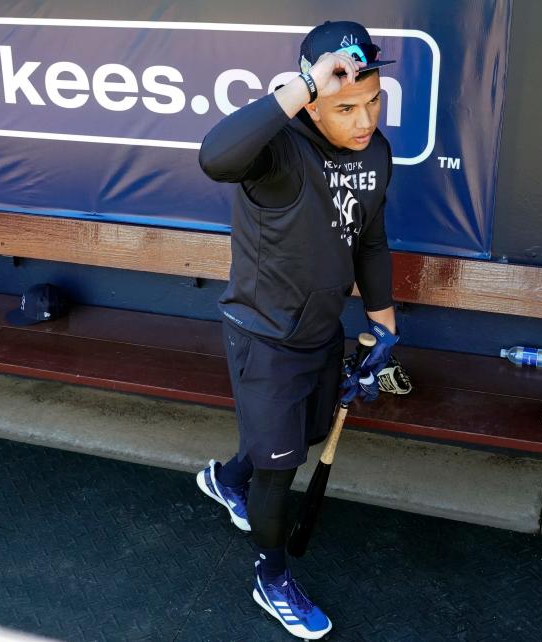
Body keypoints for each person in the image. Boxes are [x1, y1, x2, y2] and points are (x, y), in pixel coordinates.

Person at [195, 20, 399, 640]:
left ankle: (225, 479)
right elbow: (214, 157)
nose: (363, 120)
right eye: (345, 106)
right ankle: (271, 574)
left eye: (372, 101)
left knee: (300, 436)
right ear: (311, 98)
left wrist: (383, 318)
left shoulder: (376, 153)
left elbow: (370, 237)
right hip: (263, 336)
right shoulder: (279, 151)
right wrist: (303, 86)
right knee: (280, 469)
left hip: (321, 329)